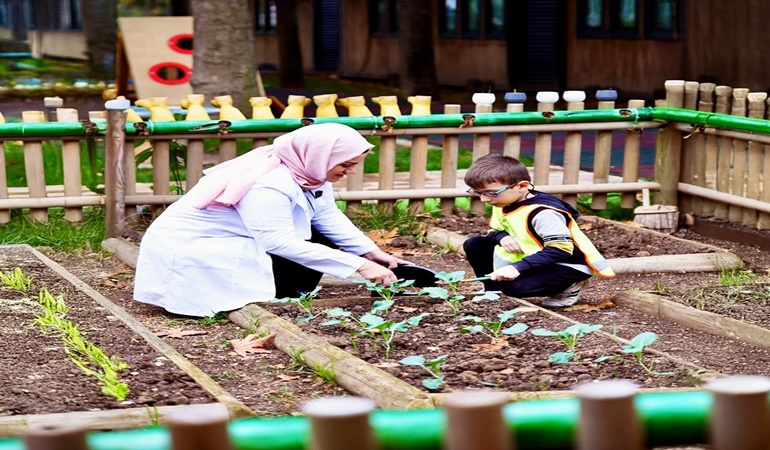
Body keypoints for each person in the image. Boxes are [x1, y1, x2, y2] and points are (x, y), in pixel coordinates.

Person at [133, 123, 409, 317]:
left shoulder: (308, 171)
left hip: (239, 239)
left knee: (317, 235)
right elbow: (279, 242)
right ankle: (282, 294)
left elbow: (325, 213)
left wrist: (370, 252)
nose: (350, 171)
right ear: (318, 156)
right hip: (195, 249)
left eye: (353, 165)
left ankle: (286, 292)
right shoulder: (267, 183)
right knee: (302, 245)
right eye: (345, 165)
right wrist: (359, 265)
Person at [462, 154, 615, 308]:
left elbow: (560, 250)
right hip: (534, 254)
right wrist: (502, 237)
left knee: (513, 287)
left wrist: (517, 267)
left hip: (568, 263)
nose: (483, 199)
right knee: (475, 244)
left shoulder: (543, 213)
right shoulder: (503, 202)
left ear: (522, 186)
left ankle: (570, 285)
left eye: (491, 192)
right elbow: (494, 229)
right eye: (478, 193)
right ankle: (492, 289)